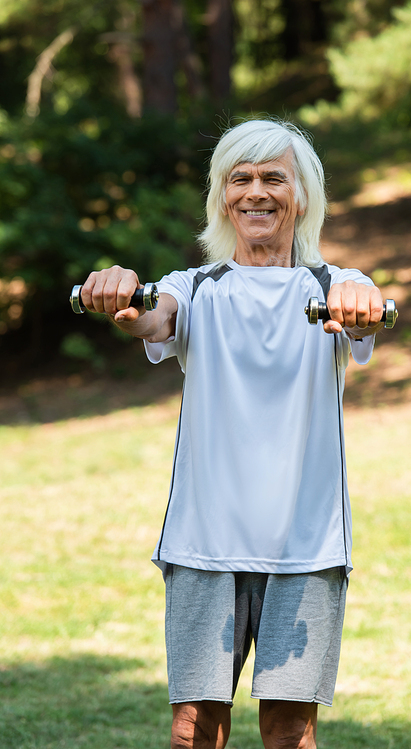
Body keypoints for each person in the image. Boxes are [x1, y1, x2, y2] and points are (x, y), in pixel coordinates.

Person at [80, 119, 385, 749]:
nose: (256, 192)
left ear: (303, 194)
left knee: (289, 730)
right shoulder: (194, 289)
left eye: (274, 177)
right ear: (223, 196)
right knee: (193, 730)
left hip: (305, 545)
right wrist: (120, 296)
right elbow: (152, 317)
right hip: (204, 543)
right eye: (239, 179)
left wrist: (362, 307)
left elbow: (365, 312)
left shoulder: (336, 287)